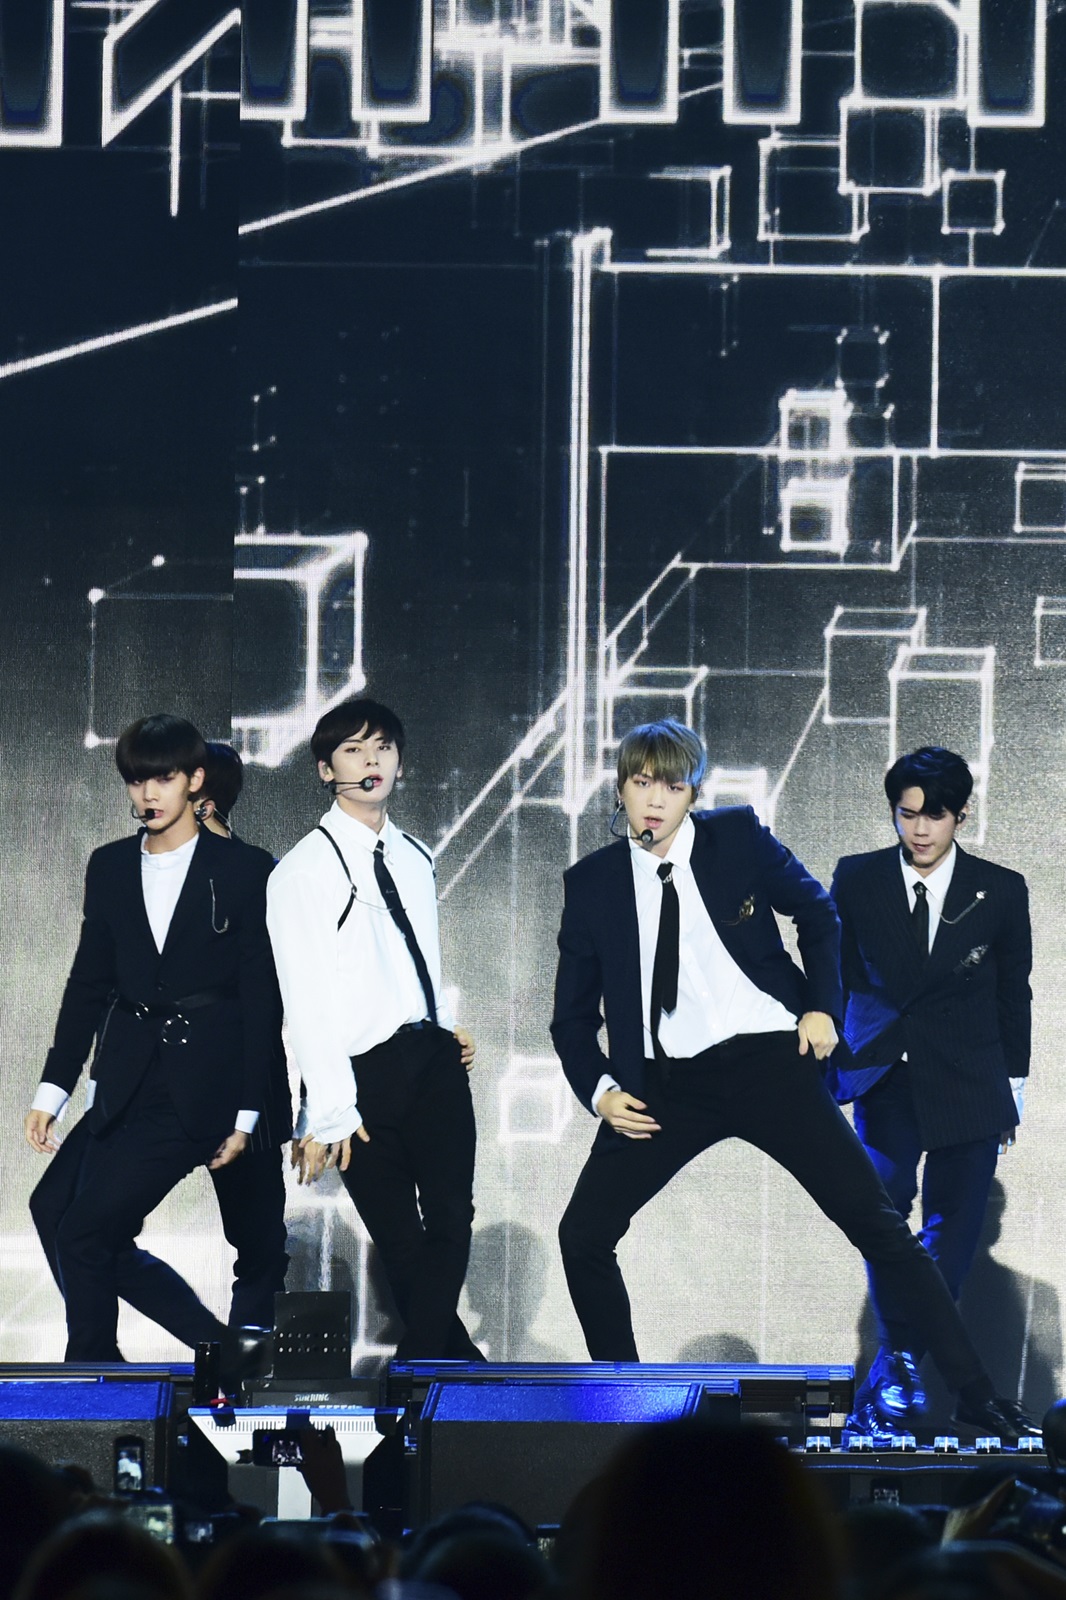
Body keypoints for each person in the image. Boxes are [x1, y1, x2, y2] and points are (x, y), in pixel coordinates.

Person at [551, 718, 1035, 1443]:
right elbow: (569, 1019)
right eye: (641, 783)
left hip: (770, 1067)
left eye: (672, 786)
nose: (654, 800)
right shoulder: (592, 884)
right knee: (583, 1234)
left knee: (880, 1228)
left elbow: (817, 912)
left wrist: (821, 1006)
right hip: (667, 1085)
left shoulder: (737, 837)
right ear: (620, 789)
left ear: (693, 794)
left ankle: (975, 1393)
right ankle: (626, 1403)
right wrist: (600, 1091)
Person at [23, 715, 282, 1372]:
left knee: (87, 1232)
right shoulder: (111, 865)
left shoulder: (245, 870)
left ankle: (95, 1370)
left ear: (195, 782)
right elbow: (88, 983)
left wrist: (249, 1111)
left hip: (203, 1084)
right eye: (137, 780)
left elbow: (261, 998)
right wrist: (54, 1088)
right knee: (53, 1209)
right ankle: (218, 1352)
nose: (148, 793)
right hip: (126, 1074)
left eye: (162, 778)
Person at [265, 697, 481, 1360]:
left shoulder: (415, 855)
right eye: (354, 750)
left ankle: (434, 1370)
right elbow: (305, 999)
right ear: (326, 769)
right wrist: (328, 1110)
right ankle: (449, 1371)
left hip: (431, 1059)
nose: (372, 761)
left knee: (452, 1218)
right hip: (363, 1077)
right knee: (401, 1238)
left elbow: (421, 956)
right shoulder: (303, 869)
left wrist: (443, 1026)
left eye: (383, 747)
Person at [829, 746, 1035, 1438]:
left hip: (970, 1077)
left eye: (934, 816)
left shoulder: (999, 889)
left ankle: (898, 1363)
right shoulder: (857, 878)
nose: (919, 829)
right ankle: (909, 1370)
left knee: (955, 1225)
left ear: (961, 815)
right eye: (907, 813)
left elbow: (1014, 993)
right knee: (885, 1215)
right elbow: (834, 973)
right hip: (884, 1072)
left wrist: (1014, 1087)